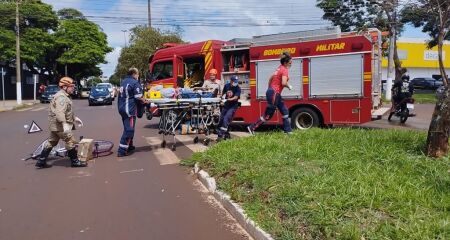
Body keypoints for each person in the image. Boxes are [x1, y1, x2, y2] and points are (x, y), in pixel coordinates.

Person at [35, 77, 86, 168]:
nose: (73, 88)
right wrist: (64, 124)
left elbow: (67, 111)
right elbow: (60, 112)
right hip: (59, 125)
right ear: (64, 87)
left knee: (52, 142)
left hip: (55, 125)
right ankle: (75, 162)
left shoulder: (64, 96)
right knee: (70, 141)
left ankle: (41, 161)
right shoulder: (61, 97)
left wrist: (75, 118)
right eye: (71, 86)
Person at [247, 52, 293, 135]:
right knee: (268, 115)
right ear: (285, 62)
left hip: (274, 93)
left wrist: (269, 88)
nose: (291, 64)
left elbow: (270, 78)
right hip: (274, 93)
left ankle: (288, 131)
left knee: (285, 111)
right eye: (290, 63)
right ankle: (251, 127)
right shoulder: (284, 70)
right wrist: (289, 86)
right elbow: (283, 83)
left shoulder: (279, 68)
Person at [117, 68, 148, 157]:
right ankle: (122, 150)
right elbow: (138, 96)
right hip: (129, 110)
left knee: (128, 128)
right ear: (134, 74)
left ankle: (129, 146)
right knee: (129, 129)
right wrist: (145, 101)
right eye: (138, 75)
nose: (138, 77)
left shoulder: (124, 81)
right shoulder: (134, 83)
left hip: (122, 109)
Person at [217, 75, 241, 141]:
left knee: (226, 119)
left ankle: (221, 135)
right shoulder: (226, 86)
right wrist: (221, 98)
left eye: (236, 81)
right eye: (234, 81)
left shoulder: (238, 88)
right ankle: (226, 133)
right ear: (231, 81)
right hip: (226, 105)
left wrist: (229, 99)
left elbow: (236, 97)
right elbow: (223, 94)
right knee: (221, 119)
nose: (235, 83)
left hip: (233, 106)